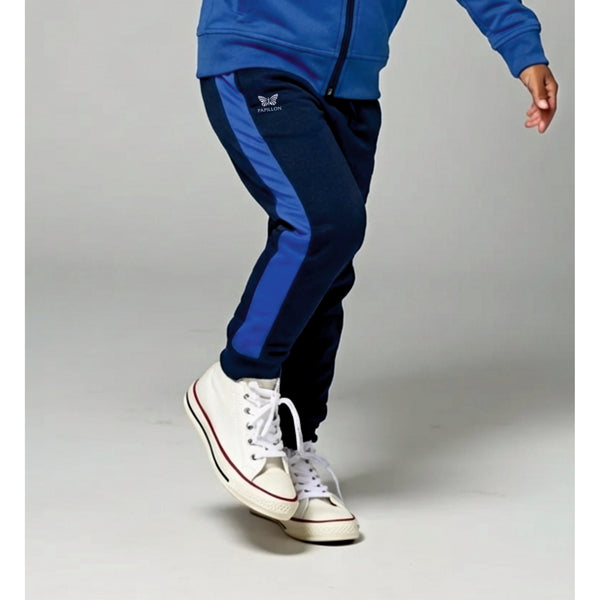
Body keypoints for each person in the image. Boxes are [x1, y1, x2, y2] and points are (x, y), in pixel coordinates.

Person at [184, 0, 558, 544]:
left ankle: (290, 443)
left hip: (352, 84)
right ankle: (237, 375)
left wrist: (523, 48)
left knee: (327, 266)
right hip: (259, 53)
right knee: (324, 225)